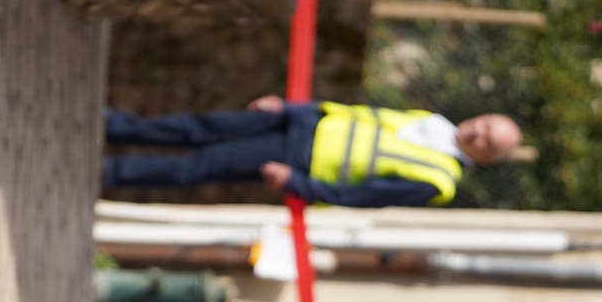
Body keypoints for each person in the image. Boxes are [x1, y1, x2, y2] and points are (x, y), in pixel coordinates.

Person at [102, 97, 521, 208]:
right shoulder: (436, 121)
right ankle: (118, 127)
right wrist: (290, 107)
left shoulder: (438, 180)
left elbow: (361, 196)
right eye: (484, 124)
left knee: (202, 165)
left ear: (486, 159)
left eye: (487, 141)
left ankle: (114, 173)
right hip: (303, 122)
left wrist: (296, 183)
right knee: (202, 125)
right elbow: (359, 115)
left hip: (299, 157)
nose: (478, 132)